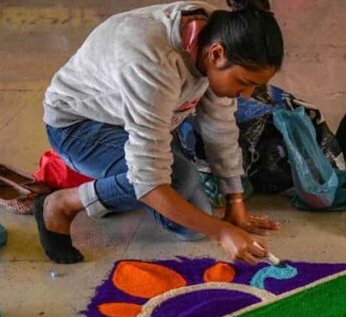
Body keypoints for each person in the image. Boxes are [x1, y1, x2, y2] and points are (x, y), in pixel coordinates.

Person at [36, 0, 283, 265]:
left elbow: (219, 123)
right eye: (244, 83)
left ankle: (113, 188)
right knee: (178, 178)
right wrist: (222, 232)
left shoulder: (222, 31)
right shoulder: (153, 62)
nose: (246, 95)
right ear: (216, 54)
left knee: (191, 226)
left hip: (136, 117)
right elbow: (149, 180)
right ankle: (62, 203)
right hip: (77, 126)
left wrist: (235, 199)